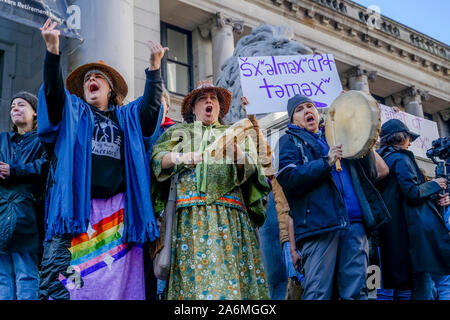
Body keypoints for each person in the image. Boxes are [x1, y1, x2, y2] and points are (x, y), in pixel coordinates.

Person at [37, 19, 167, 300]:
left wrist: (155, 69)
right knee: (71, 284)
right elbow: (53, 93)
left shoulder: (127, 118)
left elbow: (150, 109)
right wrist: (52, 50)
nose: (91, 81)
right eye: (86, 79)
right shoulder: (73, 115)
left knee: (119, 283)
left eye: (98, 78)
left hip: (119, 214)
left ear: (110, 90)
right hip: (79, 212)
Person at [151, 80, 271, 300]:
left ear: (219, 107)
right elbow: (157, 159)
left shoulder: (234, 133)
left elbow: (257, 168)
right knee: (193, 285)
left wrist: (238, 155)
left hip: (231, 219)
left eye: (213, 98)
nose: (208, 101)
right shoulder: (178, 132)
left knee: (231, 282)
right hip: (189, 220)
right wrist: (182, 157)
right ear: (192, 108)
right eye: (202, 98)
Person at [277, 94, 391, 300]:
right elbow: (289, 178)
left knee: (356, 293)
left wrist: (362, 136)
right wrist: (325, 162)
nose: (307, 111)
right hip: (320, 226)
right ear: (292, 119)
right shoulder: (289, 140)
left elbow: (378, 172)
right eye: (300, 109)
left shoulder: (335, 136)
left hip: (354, 224)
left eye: (310, 106)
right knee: (318, 293)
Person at [376, 119, 450, 300]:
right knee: (422, 286)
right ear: (401, 137)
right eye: (409, 138)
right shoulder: (400, 158)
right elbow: (411, 192)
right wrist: (434, 184)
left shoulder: (383, 159)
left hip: (396, 233)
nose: (410, 143)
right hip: (413, 237)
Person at [0, 92, 49, 300]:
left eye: (21, 105)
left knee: (26, 275)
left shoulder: (42, 140)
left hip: (26, 214)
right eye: (12, 106)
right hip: (1, 212)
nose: (15, 109)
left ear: (35, 112)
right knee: (2, 276)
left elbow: (45, 166)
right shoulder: (2, 139)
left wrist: (14, 170)